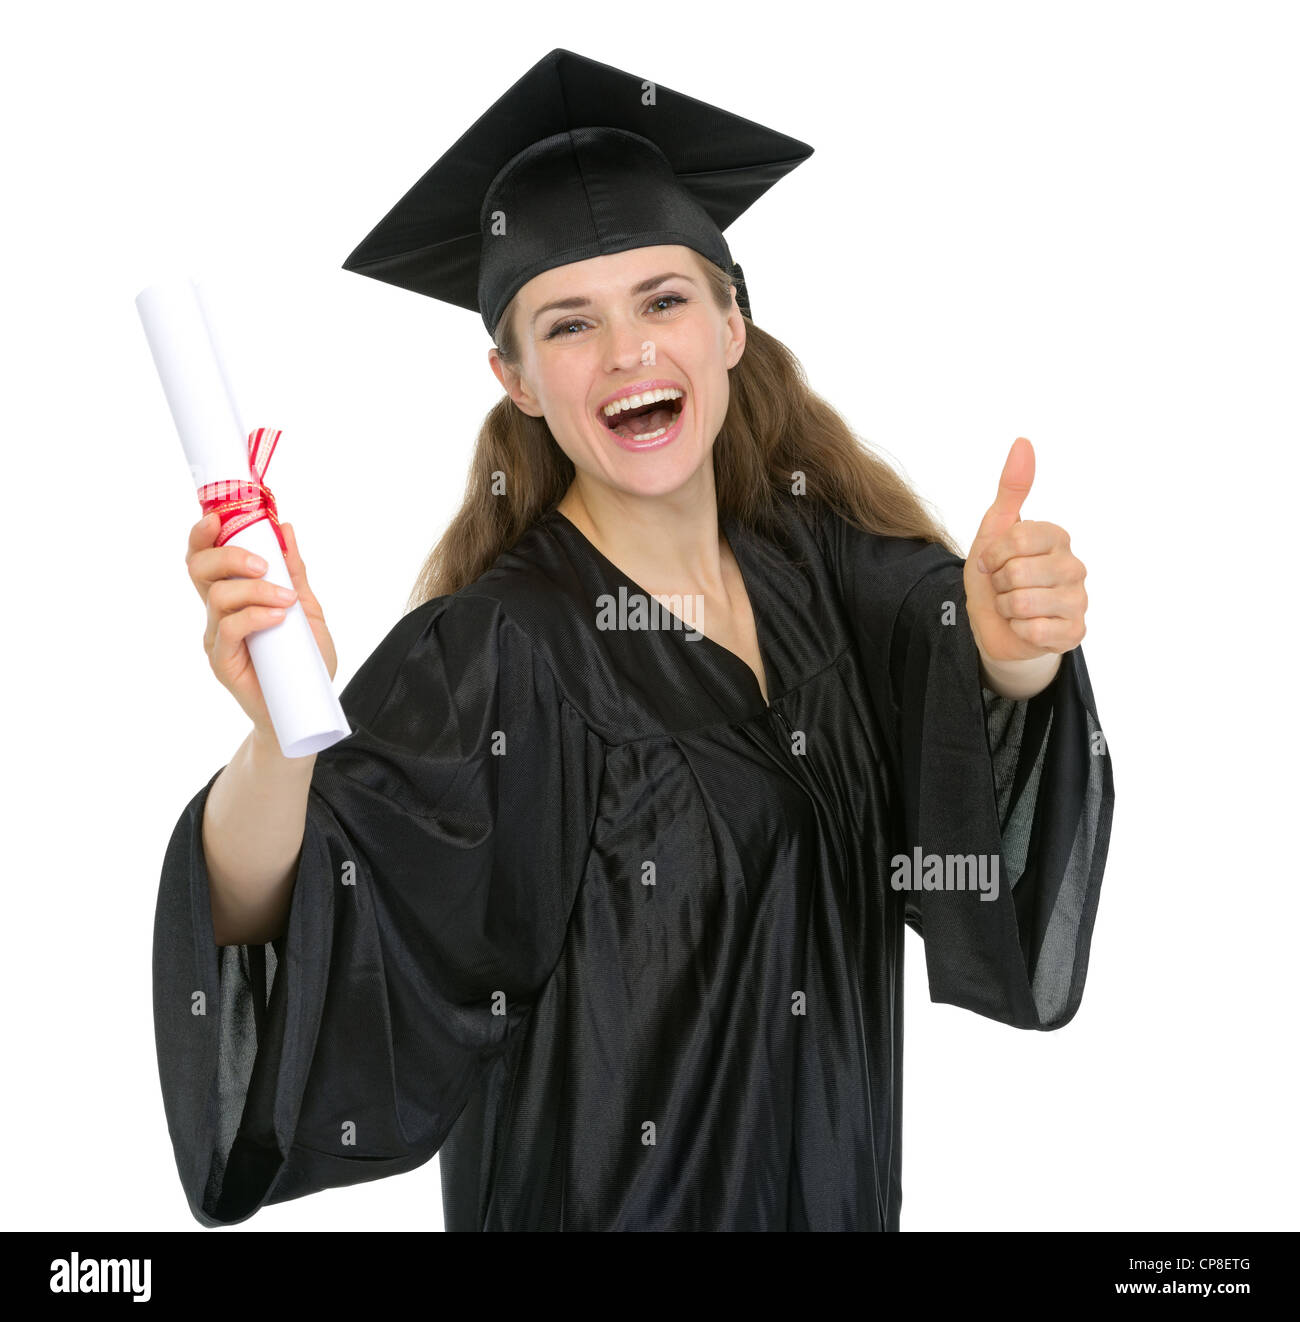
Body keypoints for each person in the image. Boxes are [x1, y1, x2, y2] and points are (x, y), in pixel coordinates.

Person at [154, 48, 1114, 1231]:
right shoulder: (495, 654)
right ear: (513, 377)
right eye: (569, 324)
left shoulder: (827, 573)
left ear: (730, 325)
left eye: (663, 300)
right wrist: (276, 741)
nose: (627, 354)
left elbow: (965, 691)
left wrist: (1016, 640)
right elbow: (272, 912)